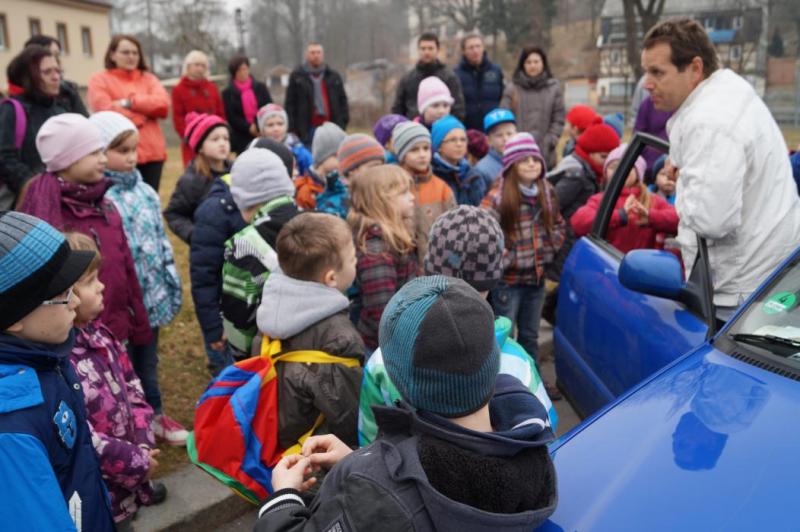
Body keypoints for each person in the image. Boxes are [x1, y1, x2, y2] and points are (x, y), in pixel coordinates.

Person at [255, 276, 557, 531]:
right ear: (493, 361)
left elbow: (392, 501)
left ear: (399, 380)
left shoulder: (377, 499)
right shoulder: (528, 437)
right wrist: (358, 460)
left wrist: (284, 498)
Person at [358, 206, 558, 446]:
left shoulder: (385, 358)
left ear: (429, 267)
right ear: (493, 275)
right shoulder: (518, 360)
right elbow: (544, 433)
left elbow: (371, 436)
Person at [641, 18, 800, 317]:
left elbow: (711, 220)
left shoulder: (710, 122)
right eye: (646, 72)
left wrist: (685, 182)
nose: (646, 83)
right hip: (770, 275)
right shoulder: (727, 92)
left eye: (657, 72)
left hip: (742, 295)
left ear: (695, 69)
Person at [0, 212, 115, 531]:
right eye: (63, 293)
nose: (76, 302)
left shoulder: (45, 358)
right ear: (14, 317)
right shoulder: (10, 430)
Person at [88, 111, 187, 446]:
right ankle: (128, 423)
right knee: (119, 365)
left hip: (150, 297)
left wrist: (169, 281)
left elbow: (160, 240)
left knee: (148, 358)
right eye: (122, 150)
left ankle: (155, 414)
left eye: (134, 149)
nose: (132, 157)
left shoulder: (145, 191)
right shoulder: (101, 199)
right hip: (116, 302)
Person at [18, 114, 151, 349]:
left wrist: (138, 322)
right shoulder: (48, 216)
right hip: (76, 339)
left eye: (102, 151)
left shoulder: (106, 205)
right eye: (94, 153)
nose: (103, 159)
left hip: (116, 324)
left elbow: (127, 268)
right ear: (67, 160)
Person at [65, 232, 167, 528]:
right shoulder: (63, 362)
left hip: (131, 476)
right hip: (100, 494)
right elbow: (84, 438)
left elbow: (133, 388)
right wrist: (137, 463)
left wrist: (143, 444)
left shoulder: (101, 335)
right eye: (90, 281)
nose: (101, 286)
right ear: (66, 294)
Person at [256, 212, 365, 449]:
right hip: (316, 454)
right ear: (331, 278)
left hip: (278, 443)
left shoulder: (269, 314)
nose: (356, 261)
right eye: (352, 258)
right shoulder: (340, 339)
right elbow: (350, 417)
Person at [481, 133, 566, 395]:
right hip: (508, 283)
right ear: (511, 165)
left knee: (530, 335)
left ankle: (534, 381)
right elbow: (484, 233)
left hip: (536, 280)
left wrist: (549, 249)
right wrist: (506, 258)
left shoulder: (546, 192)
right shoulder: (498, 196)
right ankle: (502, 386)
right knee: (504, 336)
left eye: (535, 159)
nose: (531, 164)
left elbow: (559, 225)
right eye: (524, 160)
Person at [220, 147, 300, 358]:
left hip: (271, 357)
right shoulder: (318, 224)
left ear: (242, 199)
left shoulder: (244, 247)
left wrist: (240, 355)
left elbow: (238, 312)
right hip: (321, 348)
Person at [88, 35, 169, 192]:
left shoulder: (149, 79)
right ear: (112, 55)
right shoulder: (99, 80)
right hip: (117, 155)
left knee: (149, 198)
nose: (131, 56)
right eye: (125, 52)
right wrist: (144, 113)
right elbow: (105, 113)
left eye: (135, 53)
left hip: (152, 154)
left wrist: (130, 103)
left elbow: (163, 105)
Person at [349, 165, 417, 351]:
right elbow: (382, 311)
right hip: (384, 346)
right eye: (403, 193)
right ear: (381, 201)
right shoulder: (377, 251)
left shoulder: (391, 238)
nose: (412, 197)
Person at [571, 144, 678, 253]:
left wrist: (650, 216)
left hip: (640, 263)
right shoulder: (600, 199)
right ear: (605, 173)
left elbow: (679, 220)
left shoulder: (653, 200)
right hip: (606, 260)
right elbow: (578, 223)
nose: (620, 171)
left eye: (628, 167)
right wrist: (619, 216)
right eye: (613, 167)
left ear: (638, 173)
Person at [0, 46, 69, 209]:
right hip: (25, 202)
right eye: (47, 72)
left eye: (58, 71)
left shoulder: (61, 108)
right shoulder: (12, 109)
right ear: (28, 76)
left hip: (62, 198)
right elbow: (4, 157)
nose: (56, 77)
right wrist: (36, 186)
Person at [164, 112, 233, 244]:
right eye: (215, 139)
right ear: (200, 147)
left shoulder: (237, 172)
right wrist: (195, 235)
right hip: (209, 248)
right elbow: (174, 214)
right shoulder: (191, 181)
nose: (222, 143)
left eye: (226, 138)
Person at [392, 121, 456, 263]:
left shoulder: (442, 188)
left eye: (426, 148)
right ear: (402, 154)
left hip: (436, 263)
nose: (422, 155)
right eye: (414, 150)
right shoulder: (393, 188)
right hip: (404, 265)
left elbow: (454, 229)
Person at [500, 46, 564, 168]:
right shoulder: (512, 88)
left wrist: (551, 140)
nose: (532, 66)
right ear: (522, 65)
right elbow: (504, 118)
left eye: (536, 62)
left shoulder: (554, 88)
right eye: (528, 62)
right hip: (517, 151)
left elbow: (558, 118)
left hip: (546, 152)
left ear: (543, 63)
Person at [391, 32, 466, 121]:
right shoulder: (407, 79)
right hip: (414, 127)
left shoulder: (449, 77)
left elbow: (458, 108)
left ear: (437, 49)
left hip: (442, 127)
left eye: (430, 48)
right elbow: (397, 109)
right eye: (423, 48)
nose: (426, 52)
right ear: (418, 50)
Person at [285, 43, 349, 145]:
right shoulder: (297, 77)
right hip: (306, 129)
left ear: (323, 55)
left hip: (332, 126)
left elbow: (343, 101)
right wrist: (293, 128)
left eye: (318, 52)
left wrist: (343, 122)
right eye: (312, 53)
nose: (316, 55)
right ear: (307, 55)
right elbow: (290, 104)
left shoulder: (333, 76)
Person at [171, 50, 226, 167]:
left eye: (203, 65)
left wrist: (220, 131)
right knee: (195, 171)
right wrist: (188, 136)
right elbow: (178, 118)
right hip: (192, 142)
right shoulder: (179, 89)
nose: (200, 68)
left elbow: (220, 112)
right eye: (197, 65)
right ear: (188, 66)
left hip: (214, 137)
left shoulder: (212, 88)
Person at [22, 34, 88, 115]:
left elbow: (84, 119)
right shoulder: (18, 103)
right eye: (50, 54)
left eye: (57, 55)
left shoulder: (68, 91)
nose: (55, 60)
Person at [454, 33, 505, 131]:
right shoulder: (456, 74)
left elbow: (503, 98)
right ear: (463, 51)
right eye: (471, 47)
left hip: (492, 127)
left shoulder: (496, 71)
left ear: (483, 48)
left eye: (478, 46)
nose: (475, 50)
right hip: (466, 129)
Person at [222, 55, 272, 155]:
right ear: (233, 72)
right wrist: (249, 127)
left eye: (245, 69)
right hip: (241, 136)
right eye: (239, 70)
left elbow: (268, 107)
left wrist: (258, 126)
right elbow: (231, 116)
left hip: (263, 131)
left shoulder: (260, 87)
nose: (243, 72)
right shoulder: (227, 93)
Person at [431, 115, 484, 206]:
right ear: (439, 146)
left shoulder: (474, 175)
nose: (459, 144)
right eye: (452, 140)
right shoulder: (432, 176)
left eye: (463, 140)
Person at [294, 122, 346, 211]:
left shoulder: (344, 182)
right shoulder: (307, 192)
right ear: (322, 158)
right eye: (336, 156)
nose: (343, 160)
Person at [254, 103, 312, 176]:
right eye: (270, 125)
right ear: (262, 130)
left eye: (280, 124)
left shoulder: (299, 151)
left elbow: (311, 175)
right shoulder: (256, 153)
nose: (276, 129)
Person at [470, 108, 518, 191]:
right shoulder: (481, 170)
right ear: (488, 140)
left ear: (516, 134)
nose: (505, 139)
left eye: (509, 133)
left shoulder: (525, 161)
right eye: (499, 135)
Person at [633, 95, 672, 183]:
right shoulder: (648, 104)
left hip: (674, 168)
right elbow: (638, 136)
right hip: (649, 167)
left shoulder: (686, 104)